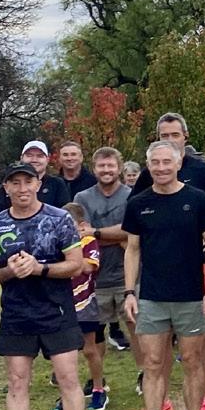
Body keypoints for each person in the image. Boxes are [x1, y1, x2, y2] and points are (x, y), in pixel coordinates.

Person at [0, 162, 97, 410]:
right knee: (17, 381)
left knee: (68, 378)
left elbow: (76, 264)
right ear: (6, 188)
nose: (22, 188)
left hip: (56, 310)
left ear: (37, 184)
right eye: (14, 182)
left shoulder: (59, 219)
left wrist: (39, 268)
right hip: (17, 313)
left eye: (27, 181)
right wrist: (10, 271)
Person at [123, 141, 205, 410]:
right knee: (153, 363)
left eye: (167, 162)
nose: (161, 167)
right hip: (152, 297)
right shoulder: (138, 203)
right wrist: (129, 292)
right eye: (155, 162)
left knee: (192, 361)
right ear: (148, 166)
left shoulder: (197, 199)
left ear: (179, 164)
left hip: (191, 295)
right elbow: (132, 249)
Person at [76, 147, 134, 364]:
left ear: (120, 168)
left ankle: (144, 374)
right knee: (95, 333)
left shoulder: (132, 195)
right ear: (94, 168)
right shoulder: (83, 197)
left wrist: (97, 233)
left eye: (111, 165)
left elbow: (132, 232)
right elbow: (83, 234)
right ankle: (98, 379)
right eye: (101, 165)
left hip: (127, 276)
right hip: (94, 278)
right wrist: (118, 236)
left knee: (135, 327)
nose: (106, 170)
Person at [53, 202, 105, 410]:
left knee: (90, 349)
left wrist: (66, 260)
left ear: (81, 225)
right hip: (61, 304)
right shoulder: (57, 242)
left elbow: (88, 266)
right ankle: (67, 394)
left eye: (68, 224)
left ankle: (98, 388)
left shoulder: (88, 241)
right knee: (63, 353)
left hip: (84, 303)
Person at [133, 113, 205, 205]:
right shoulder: (150, 174)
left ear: (185, 136)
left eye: (175, 135)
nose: (170, 140)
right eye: (165, 136)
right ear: (158, 138)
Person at [0, 140, 70, 213]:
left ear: (47, 159)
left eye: (40, 156)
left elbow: (65, 212)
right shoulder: (9, 183)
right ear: (21, 158)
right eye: (29, 155)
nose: (34, 160)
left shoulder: (57, 183)